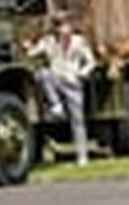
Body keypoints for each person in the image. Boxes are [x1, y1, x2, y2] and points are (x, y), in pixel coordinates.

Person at [28, 12, 98, 166]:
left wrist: (82, 73)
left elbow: (91, 61)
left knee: (77, 120)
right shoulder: (48, 41)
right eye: (58, 25)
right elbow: (32, 53)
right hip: (56, 78)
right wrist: (29, 47)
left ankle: (82, 156)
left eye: (64, 24)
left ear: (70, 26)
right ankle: (56, 104)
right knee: (43, 74)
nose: (61, 28)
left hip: (73, 82)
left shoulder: (79, 41)